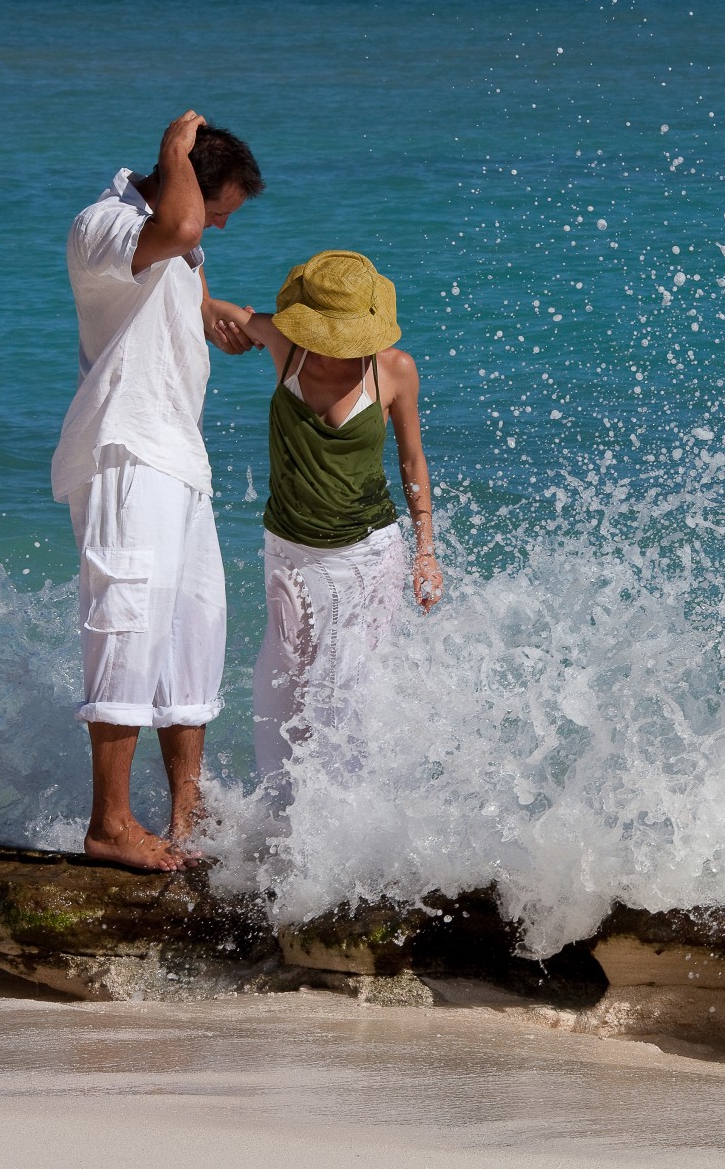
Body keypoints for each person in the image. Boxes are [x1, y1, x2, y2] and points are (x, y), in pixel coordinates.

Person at [52, 111, 264, 871]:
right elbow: (174, 226)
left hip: (179, 457)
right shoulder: (103, 225)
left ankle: (187, 813)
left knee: (192, 634)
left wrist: (260, 328)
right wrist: (176, 145)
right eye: (220, 211)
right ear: (180, 179)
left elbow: (191, 279)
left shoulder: (180, 241)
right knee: (126, 625)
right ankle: (110, 823)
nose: (220, 227)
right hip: (125, 448)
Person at [234, 251, 443, 789]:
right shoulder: (285, 348)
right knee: (281, 684)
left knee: (351, 690)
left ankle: (352, 827)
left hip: (366, 551)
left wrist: (426, 552)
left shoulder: (393, 368)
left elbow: (412, 460)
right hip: (288, 549)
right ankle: (281, 820)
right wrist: (216, 315)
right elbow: (218, 311)